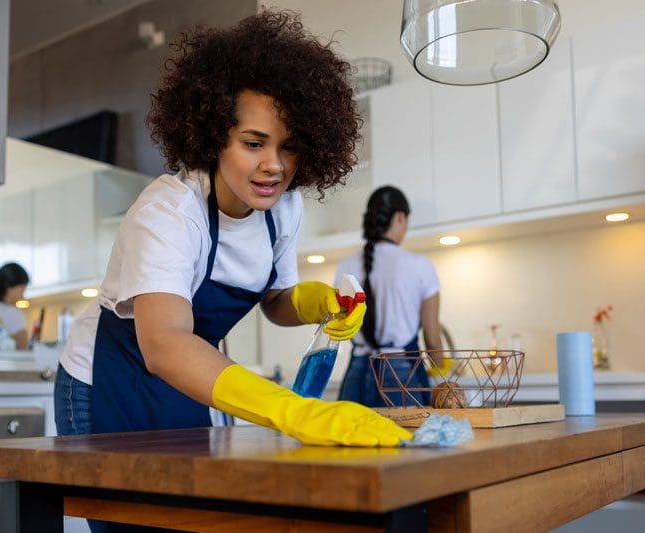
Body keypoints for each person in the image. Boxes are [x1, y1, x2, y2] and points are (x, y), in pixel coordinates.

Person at [54, 11, 410, 451]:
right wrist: (295, 411)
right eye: (253, 143)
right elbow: (164, 342)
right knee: (132, 517)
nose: (274, 165)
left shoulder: (283, 209)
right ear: (214, 136)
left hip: (189, 375)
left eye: (290, 146)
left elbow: (275, 300)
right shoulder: (171, 211)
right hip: (111, 377)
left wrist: (319, 301)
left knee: (193, 513)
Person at [335, 186, 447, 407]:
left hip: (357, 370)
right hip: (402, 371)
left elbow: (344, 326)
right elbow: (432, 337)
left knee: (353, 438)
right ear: (400, 217)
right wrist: (445, 372)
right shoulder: (420, 266)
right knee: (409, 438)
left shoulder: (345, 266)